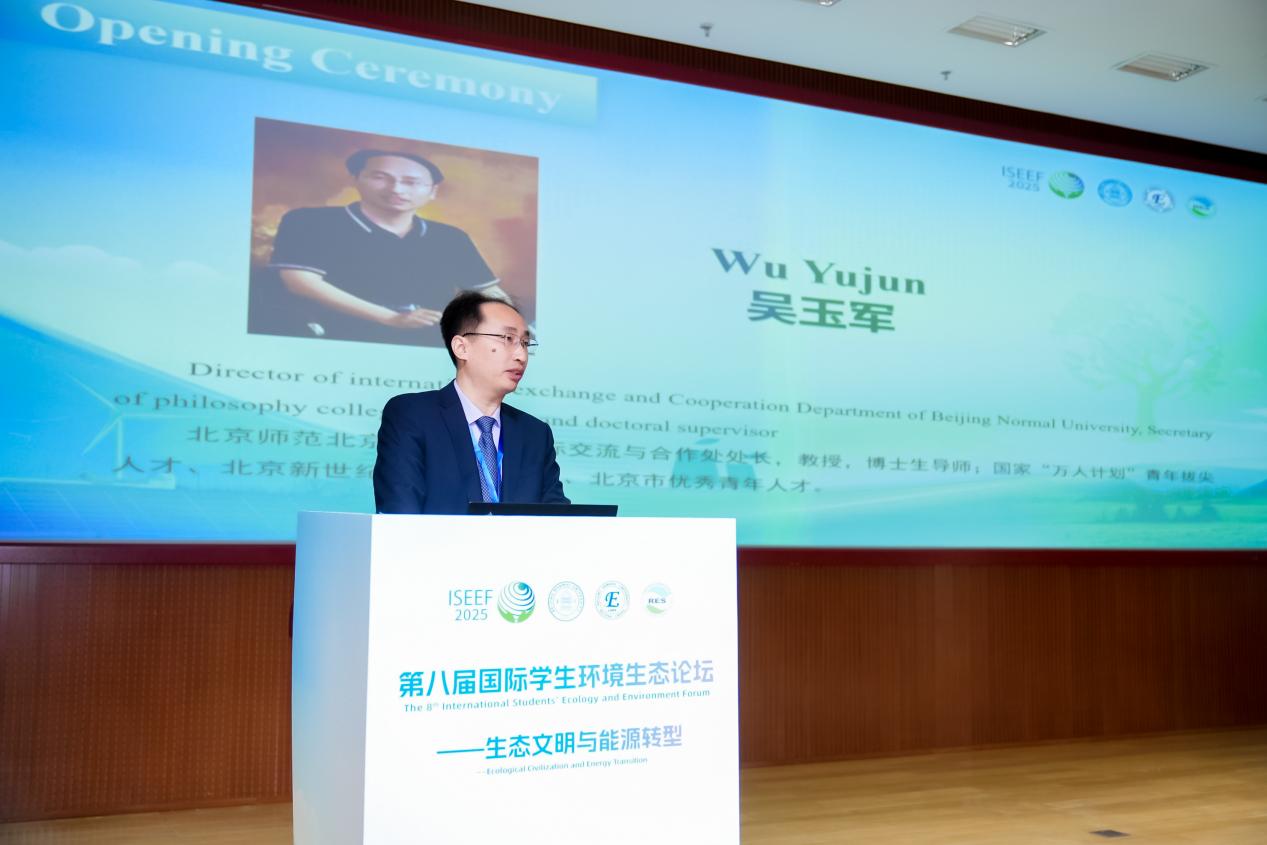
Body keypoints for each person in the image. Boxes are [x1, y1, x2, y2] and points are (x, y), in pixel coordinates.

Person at [266, 149, 511, 346]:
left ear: (432, 191)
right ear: (356, 180)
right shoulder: (310, 221)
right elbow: (300, 281)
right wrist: (391, 318)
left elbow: (488, 291)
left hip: (431, 348)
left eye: (411, 182)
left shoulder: (450, 237)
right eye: (380, 177)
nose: (396, 189)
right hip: (331, 340)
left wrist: (513, 326)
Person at [373, 291, 568, 513]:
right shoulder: (413, 415)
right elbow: (400, 511)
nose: (521, 356)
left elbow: (558, 518)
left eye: (524, 343)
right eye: (508, 339)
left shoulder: (534, 434)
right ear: (461, 347)